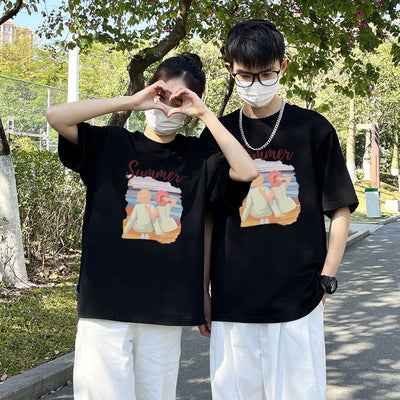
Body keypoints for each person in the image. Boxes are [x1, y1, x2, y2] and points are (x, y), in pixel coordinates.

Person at [46, 52, 258, 400]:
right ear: (151, 91)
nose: (167, 109)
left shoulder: (200, 157)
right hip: (106, 307)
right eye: (162, 96)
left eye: (179, 101)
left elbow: (248, 171)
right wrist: (133, 101)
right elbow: (55, 116)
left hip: (166, 307)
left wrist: (204, 113)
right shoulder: (110, 144)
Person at [199, 20, 359, 400]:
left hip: (299, 297)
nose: (256, 83)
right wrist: (201, 288)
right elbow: (206, 217)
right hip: (231, 301)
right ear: (229, 70)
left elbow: (340, 209)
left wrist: (327, 276)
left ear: (283, 66)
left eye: (266, 73)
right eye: (245, 75)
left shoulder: (313, 129)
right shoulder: (216, 135)